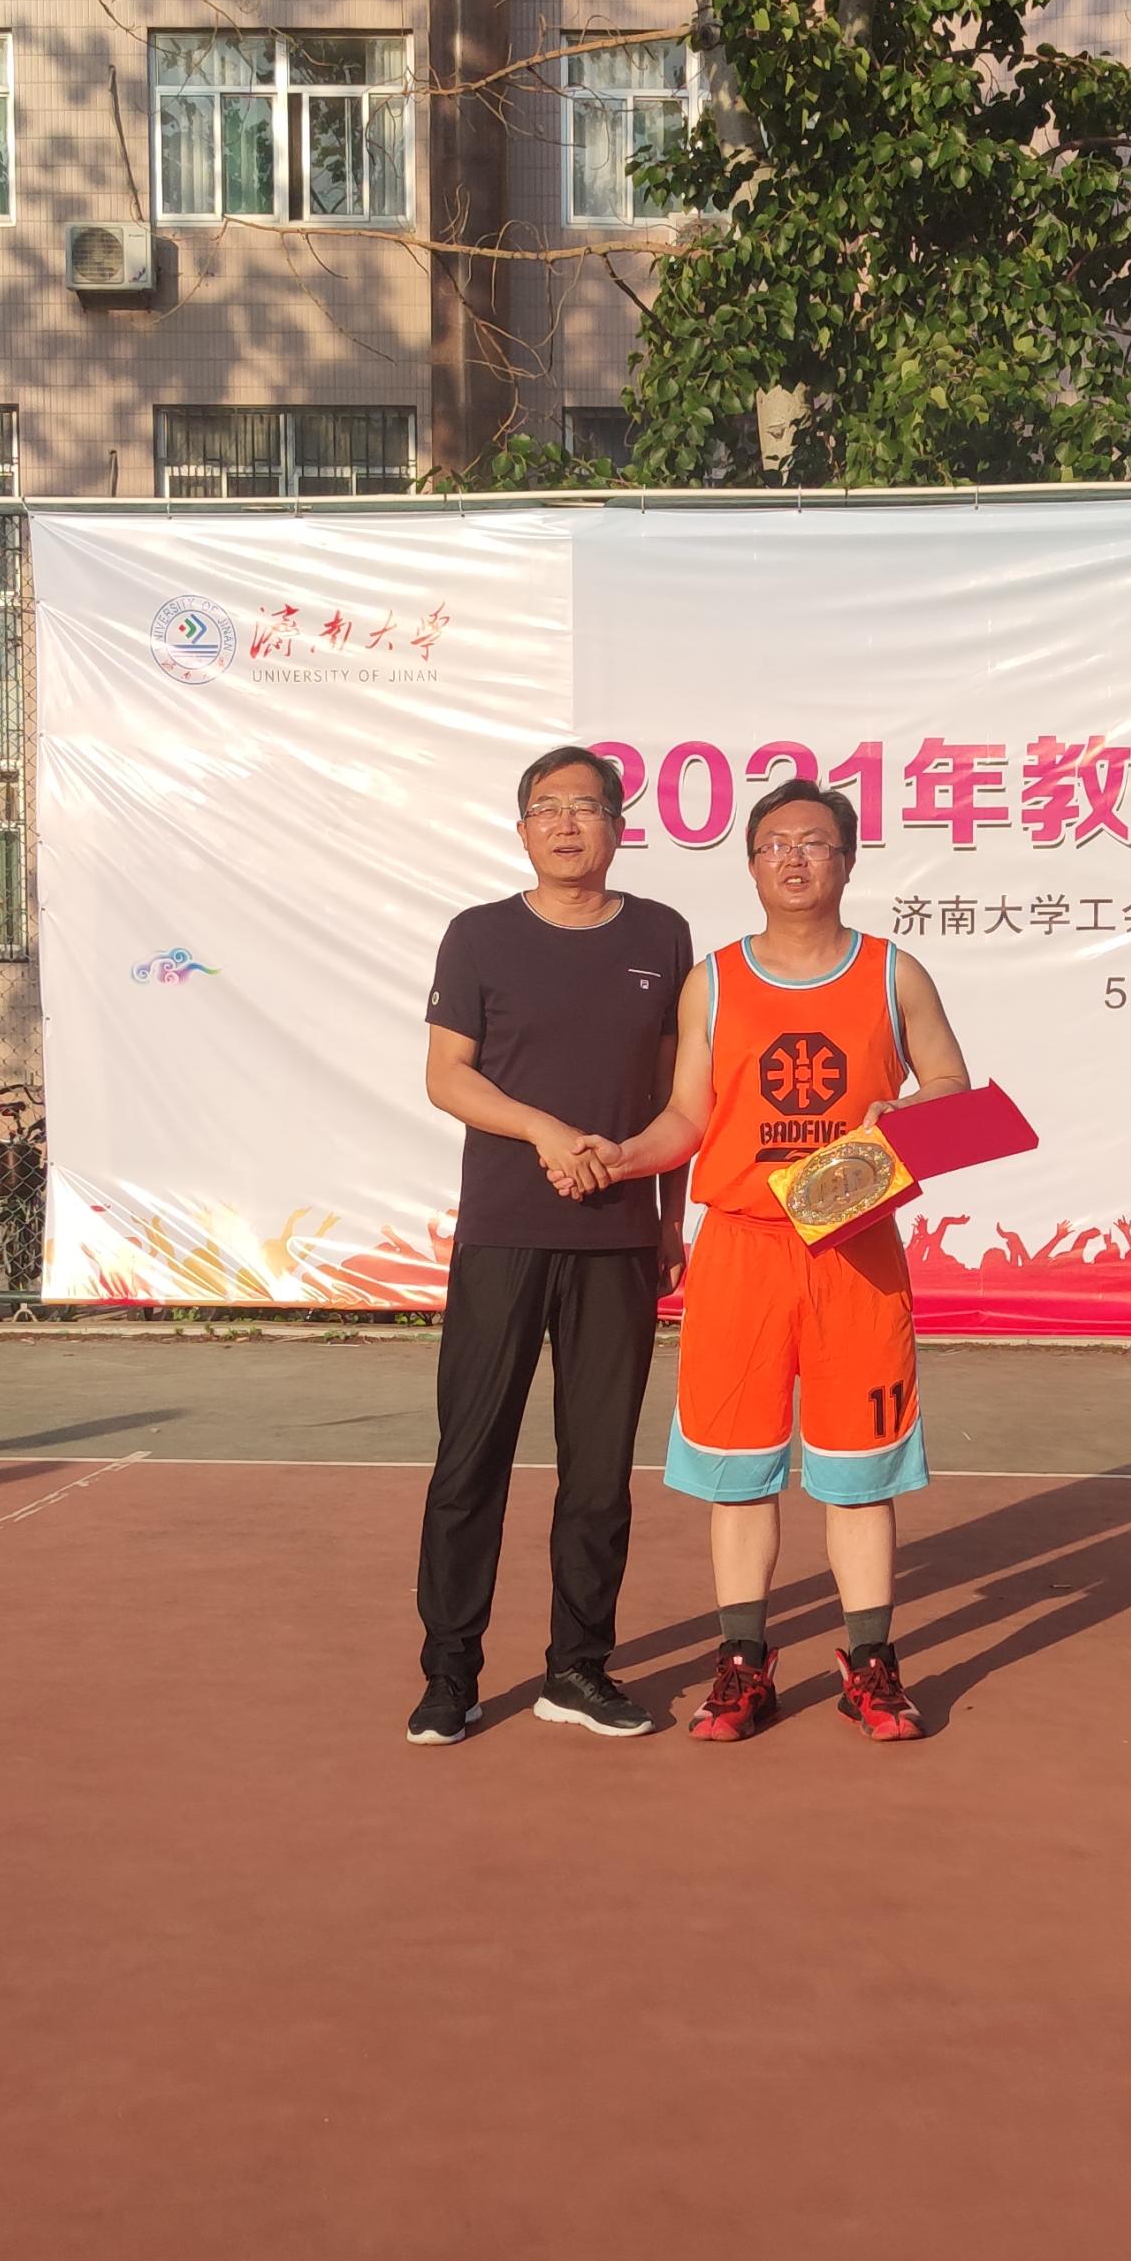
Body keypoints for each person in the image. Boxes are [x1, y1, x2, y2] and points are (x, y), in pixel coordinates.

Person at [597, 775, 970, 1743]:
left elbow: (951, 1085)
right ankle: (741, 1663)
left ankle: (871, 1665)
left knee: (859, 1471)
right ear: (751, 865)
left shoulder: (893, 973)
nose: (793, 859)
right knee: (738, 1469)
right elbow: (688, 1117)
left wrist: (908, 1111)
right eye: (773, 845)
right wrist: (623, 1157)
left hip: (855, 1248)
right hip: (744, 1250)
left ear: (846, 860)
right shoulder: (714, 980)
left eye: (813, 843)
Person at [412, 747, 695, 1744]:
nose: (566, 823)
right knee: (470, 1459)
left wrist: (668, 1218)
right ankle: (449, 1674)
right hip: (504, 1232)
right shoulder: (479, 935)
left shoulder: (661, 935)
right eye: (546, 807)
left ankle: (577, 1669)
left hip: (617, 1237)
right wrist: (543, 1132)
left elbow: (675, 1093)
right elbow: (448, 1076)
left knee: (598, 1471)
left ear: (619, 824)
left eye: (586, 805)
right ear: (522, 829)